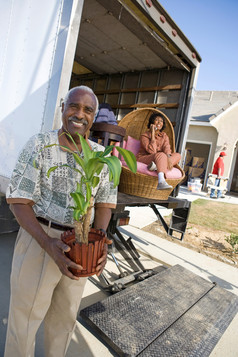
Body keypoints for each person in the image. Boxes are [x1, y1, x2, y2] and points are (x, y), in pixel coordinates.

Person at [4, 86, 117, 357]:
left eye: (88, 110)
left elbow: (104, 204)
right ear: (63, 109)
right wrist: (47, 243)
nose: (79, 114)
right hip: (40, 236)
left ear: (94, 117)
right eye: (73, 106)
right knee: (24, 321)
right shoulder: (40, 145)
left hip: (81, 245)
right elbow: (20, 201)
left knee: (64, 322)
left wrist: (99, 243)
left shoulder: (101, 156)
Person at [136, 112, 181, 190]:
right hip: (145, 158)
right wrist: (153, 134)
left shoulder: (164, 136)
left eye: (161, 121)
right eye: (156, 120)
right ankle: (161, 181)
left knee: (177, 155)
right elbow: (152, 151)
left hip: (160, 159)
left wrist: (169, 158)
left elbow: (167, 149)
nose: (159, 122)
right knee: (161, 155)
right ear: (152, 122)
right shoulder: (144, 136)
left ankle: (157, 166)